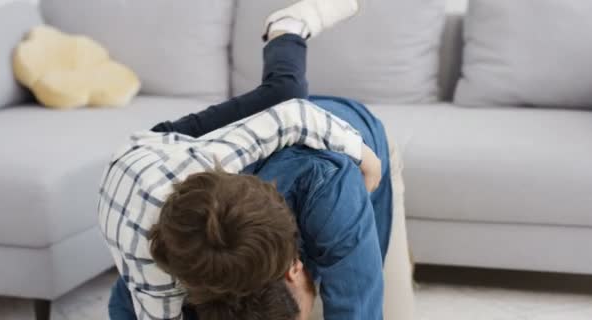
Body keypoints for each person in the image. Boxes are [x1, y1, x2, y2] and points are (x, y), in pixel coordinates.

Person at [101, 0, 414, 319]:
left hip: (353, 147)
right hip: (157, 168)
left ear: (294, 268)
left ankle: (288, 28)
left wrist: (367, 160)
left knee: (286, 94)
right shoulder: (162, 269)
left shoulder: (329, 185)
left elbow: (294, 115)